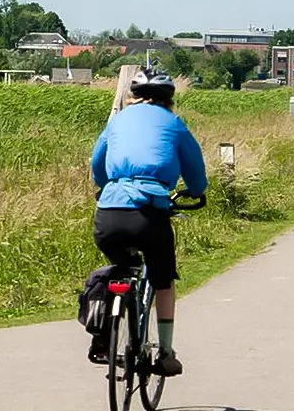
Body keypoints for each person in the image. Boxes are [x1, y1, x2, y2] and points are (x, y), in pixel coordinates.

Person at [90, 67, 208, 377]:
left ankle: (105, 333)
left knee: (119, 267)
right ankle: (166, 353)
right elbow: (194, 166)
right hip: (149, 214)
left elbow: (97, 163)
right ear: (169, 100)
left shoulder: (116, 122)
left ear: (133, 97)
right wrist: (197, 191)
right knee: (163, 278)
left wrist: (105, 187)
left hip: (109, 213)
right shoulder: (173, 124)